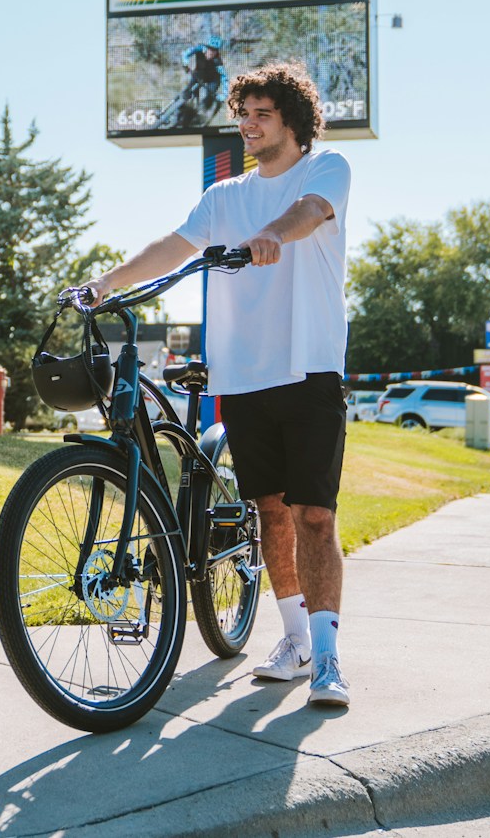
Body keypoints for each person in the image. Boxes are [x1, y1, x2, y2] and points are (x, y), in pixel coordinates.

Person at [78, 61, 353, 707]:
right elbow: (171, 247)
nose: (248, 125)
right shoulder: (223, 196)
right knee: (270, 512)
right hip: (246, 372)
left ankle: (329, 655)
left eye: (261, 113)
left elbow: (311, 213)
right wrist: (105, 283)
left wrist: (269, 235)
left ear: (292, 118)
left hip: (310, 364)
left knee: (315, 513)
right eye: (243, 114)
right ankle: (294, 640)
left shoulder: (325, 168)